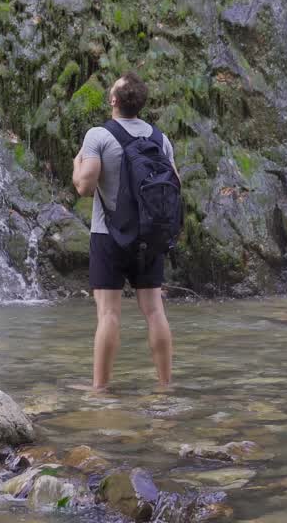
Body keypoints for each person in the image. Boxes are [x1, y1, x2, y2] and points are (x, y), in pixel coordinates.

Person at [71, 72, 179, 392]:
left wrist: (77, 164)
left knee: (108, 314)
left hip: (109, 236)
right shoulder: (160, 138)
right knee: (154, 310)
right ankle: (165, 387)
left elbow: (84, 187)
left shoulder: (98, 135)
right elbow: (175, 184)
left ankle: (100, 389)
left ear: (114, 100)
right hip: (150, 236)